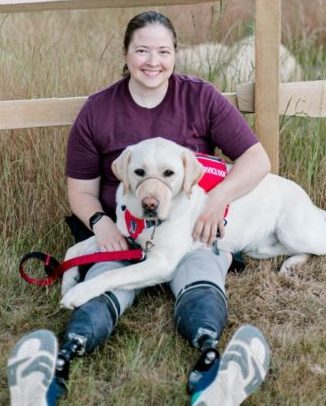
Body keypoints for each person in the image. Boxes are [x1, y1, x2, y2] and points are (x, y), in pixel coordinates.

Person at [7, 11, 271, 406]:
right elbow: (80, 191)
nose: (153, 61)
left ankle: (215, 367)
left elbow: (257, 160)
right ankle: (55, 368)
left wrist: (218, 199)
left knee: (199, 273)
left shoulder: (200, 97)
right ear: (126, 54)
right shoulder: (98, 110)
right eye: (142, 50)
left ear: (175, 55)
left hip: (190, 231)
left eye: (163, 51)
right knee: (104, 280)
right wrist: (99, 224)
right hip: (123, 232)